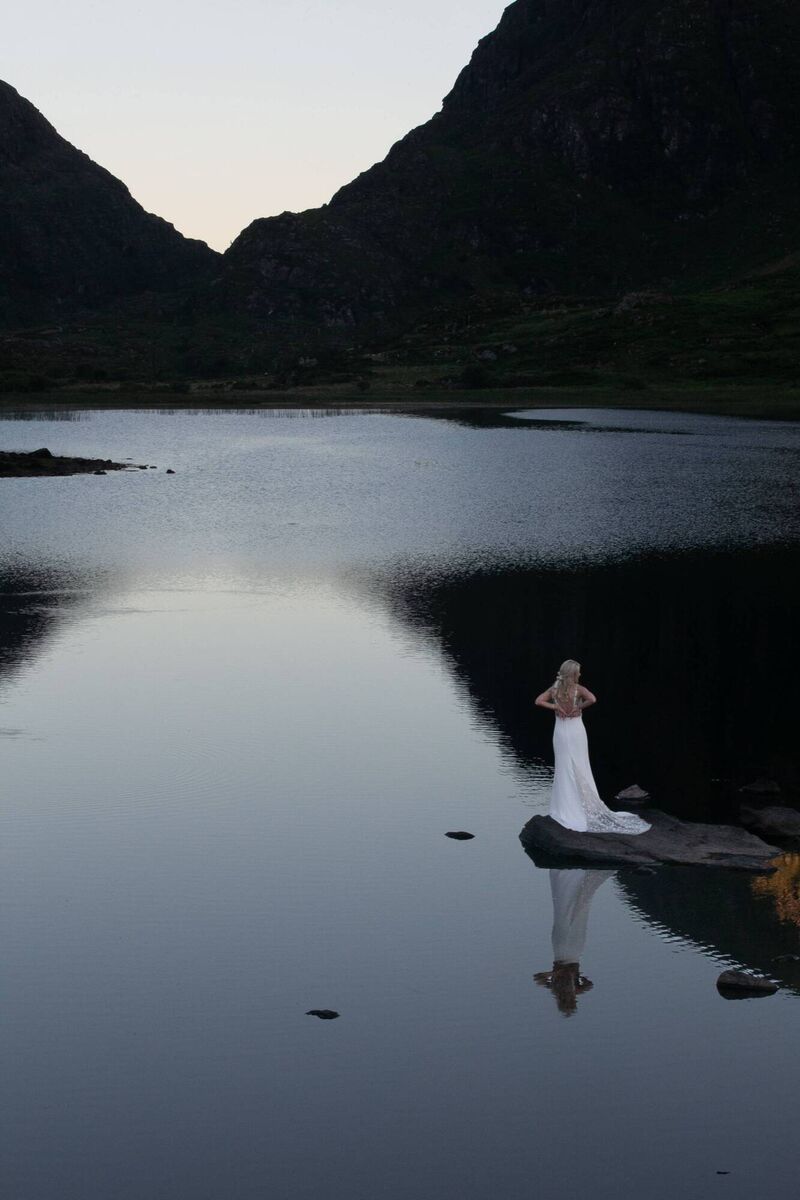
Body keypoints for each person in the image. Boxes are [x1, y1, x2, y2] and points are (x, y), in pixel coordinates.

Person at [535, 659, 650, 834]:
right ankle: (583, 804)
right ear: (573, 673)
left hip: (560, 732)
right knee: (581, 764)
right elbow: (593, 699)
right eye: (578, 672)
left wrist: (555, 706)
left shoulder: (554, 690)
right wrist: (578, 707)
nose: (580, 674)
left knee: (564, 766)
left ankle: (565, 807)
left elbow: (538, 701)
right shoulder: (578, 690)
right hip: (576, 731)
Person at [534, 868, 613, 1016]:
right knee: (574, 917)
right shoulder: (567, 988)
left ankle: (574, 880)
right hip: (569, 953)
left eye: (571, 1002)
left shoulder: (556, 988)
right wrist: (574, 986)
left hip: (567, 953)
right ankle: (576, 882)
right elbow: (589, 984)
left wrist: (553, 976)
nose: (573, 1000)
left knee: (569, 918)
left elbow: (537, 978)